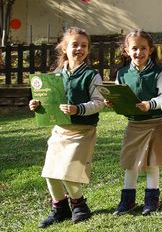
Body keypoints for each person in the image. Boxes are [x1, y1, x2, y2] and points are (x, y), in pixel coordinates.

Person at [28, 27, 105, 228]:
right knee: (50, 173)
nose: (79, 49)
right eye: (75, 45)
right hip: (60, 131)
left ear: (88, 49)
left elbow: (99, 102)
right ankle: (60, 209)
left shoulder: (91, 75)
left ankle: (80, 206)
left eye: (84, 45)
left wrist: (78, 109)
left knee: (68, 174)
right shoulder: (55, 76)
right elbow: (47, 101)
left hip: (82, 131)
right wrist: (37, 105)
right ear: (64, 48)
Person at [110, 30, 162, 215]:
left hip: (154, 123)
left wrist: (150, 104)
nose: (139, 52)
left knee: (152, 163)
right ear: (127, 50)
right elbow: (120, 97)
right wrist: (111, 101)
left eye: (143, 48)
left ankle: (152, 201)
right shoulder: (122, 73)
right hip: (133, 124)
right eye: (134, 48)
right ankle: (127, 201)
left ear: (150, 50)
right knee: (130, 163)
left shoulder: (159, 72)